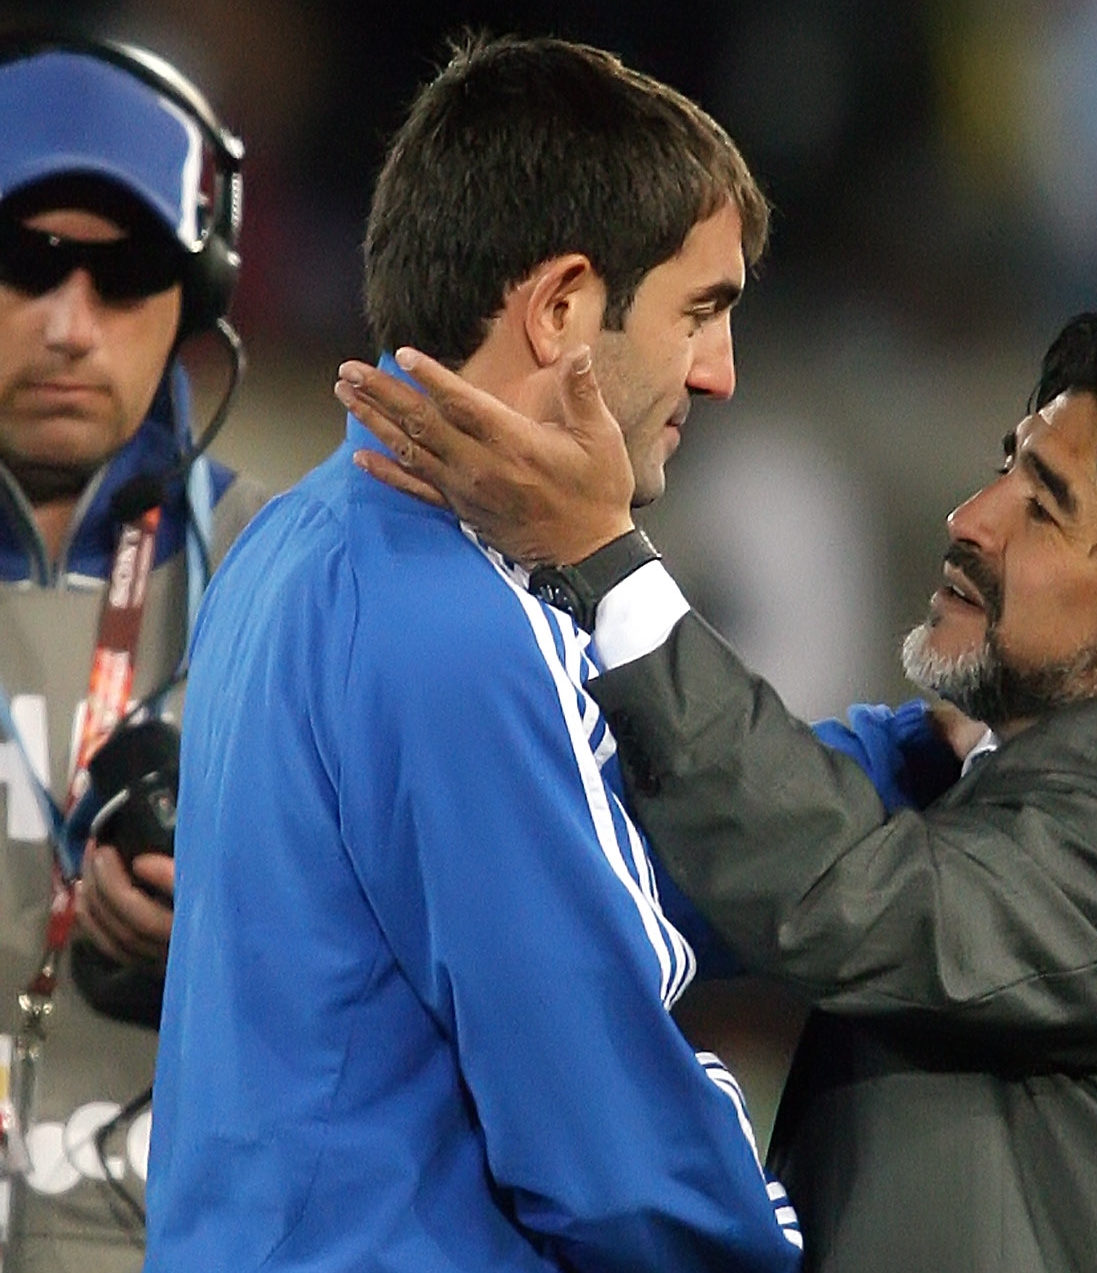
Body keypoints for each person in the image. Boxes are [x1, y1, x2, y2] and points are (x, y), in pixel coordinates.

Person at [338, 296, 1097, 1272]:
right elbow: (679, 866)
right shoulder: (1048, 777)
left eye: (1042, 508)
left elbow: (847, 900)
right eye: (1004, 466)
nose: (969, 518)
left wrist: (608, 567)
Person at [146, 34, 804, 1273]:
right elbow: (615, 1156)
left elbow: (630, 835)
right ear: (560, 310)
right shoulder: (460, 626)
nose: (718, 374)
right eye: (700, 311)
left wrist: (895, 760)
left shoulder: (294, 544)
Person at [0, 29, 264, 1272]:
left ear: (199, 292)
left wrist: (237, 933)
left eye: (125, 274)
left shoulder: (293, 585)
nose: (69, 327)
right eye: (24, 263)